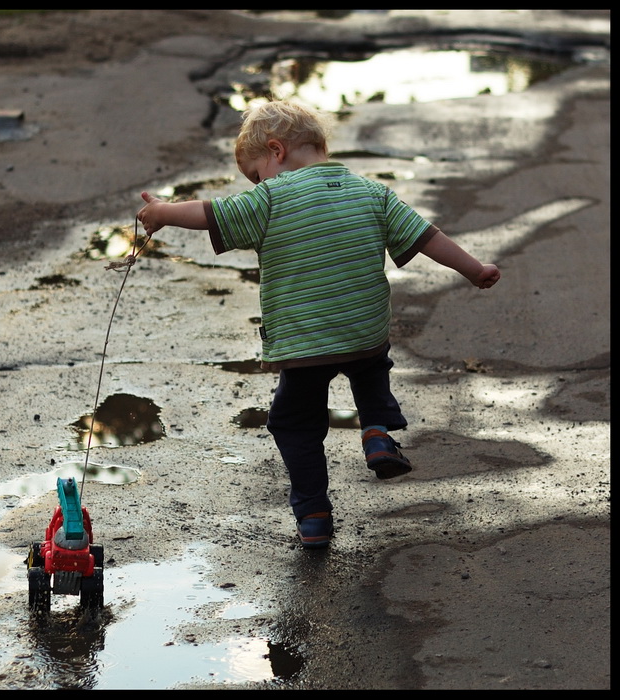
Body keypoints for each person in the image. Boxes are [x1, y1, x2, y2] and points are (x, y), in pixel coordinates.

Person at [136, 100, 500, 549]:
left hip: (304, 342)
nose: (256, 185)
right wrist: (474, 269)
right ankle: (377, 435)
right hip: (364, 332)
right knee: (370, 366)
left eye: (256, 174)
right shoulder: (373, 193)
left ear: (276, 151)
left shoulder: (270, 198)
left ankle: (313, 514)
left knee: (294, 423)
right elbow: (427, 238)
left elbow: (212, 215)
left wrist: (163, 213)